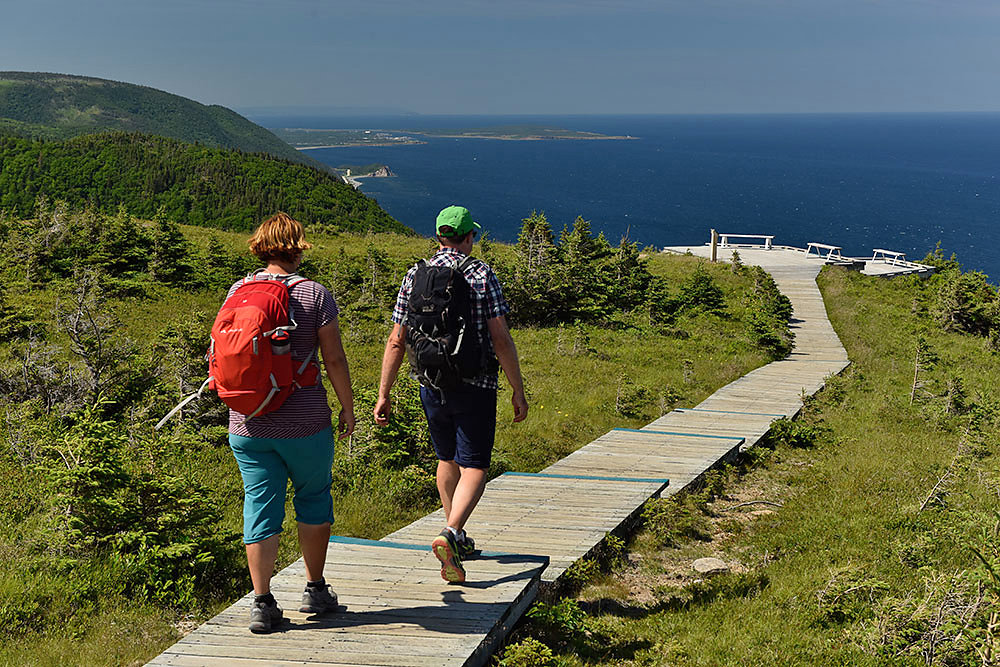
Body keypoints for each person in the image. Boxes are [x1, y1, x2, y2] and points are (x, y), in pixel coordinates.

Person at [374, 205, 528, 583]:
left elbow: (397, 340)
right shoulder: (480, 273)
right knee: (476, 465)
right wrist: (517, 389)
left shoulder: (415, 275)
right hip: (475, 383)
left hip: (430, 382)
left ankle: (455, 537)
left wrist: (384, 393)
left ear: (440, 237)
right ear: (469, 237)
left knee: (447, 458)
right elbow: (500, 338)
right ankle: (449, 532)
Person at [226, 212, 355, 633]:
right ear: (298, 248)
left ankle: (262, 602)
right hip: (305, 421)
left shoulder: (238, 290)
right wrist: (348, 406)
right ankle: (315, 589)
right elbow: (333, 358)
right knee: (313, 497)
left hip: (247, 423)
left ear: (260, 247)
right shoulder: (315, 295)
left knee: (259, 504)